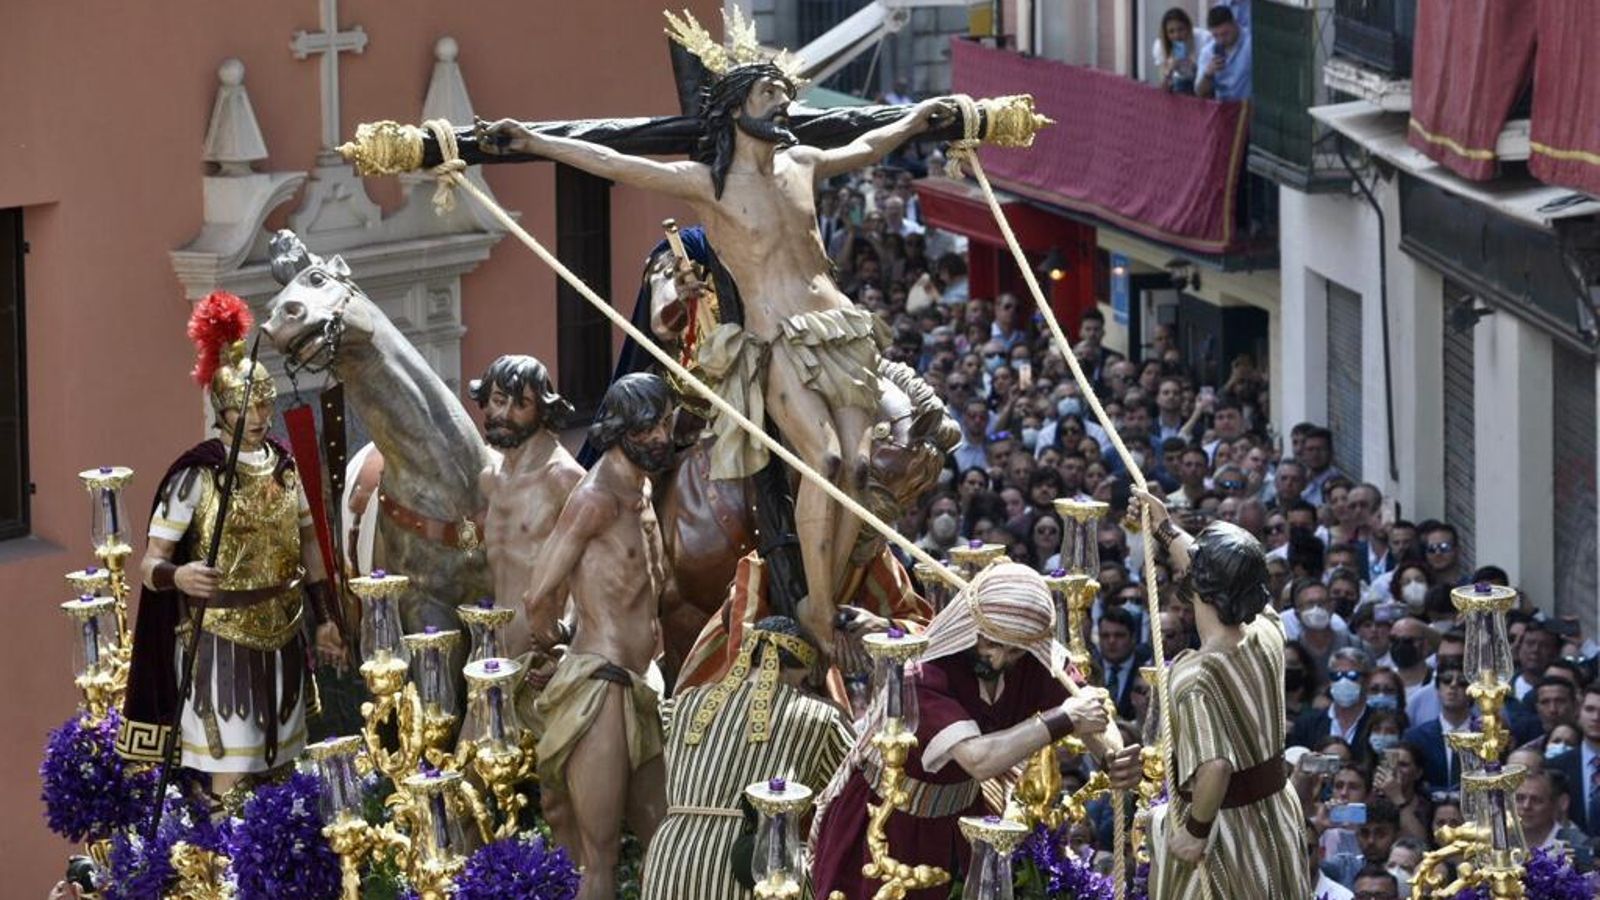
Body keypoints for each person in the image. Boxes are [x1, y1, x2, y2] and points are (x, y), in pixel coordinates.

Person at [485, 55, 958, 650]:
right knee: (829, 462)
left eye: (785, 92)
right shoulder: (705, 188)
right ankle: (814, 603)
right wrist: (535, 139)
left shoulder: (803, 162)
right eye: (768, 92)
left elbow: (867, 146)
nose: (782, 102)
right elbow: (615, 161)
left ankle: (827, 594)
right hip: (775, 339)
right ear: (737, 108)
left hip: (843, 329)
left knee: (860, 472)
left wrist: (916, 118)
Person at [118, 292, 345, 801]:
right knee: (233, 780)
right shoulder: (198, 475)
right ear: (223, 409)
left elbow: (309, 545)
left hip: (285, 631)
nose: (262, 415)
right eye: (251, 405)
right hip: (220, 640)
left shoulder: (285, 468)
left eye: (267, 403)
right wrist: (178, 576)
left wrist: (325, 615)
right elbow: (150, 561)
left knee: (285, 770)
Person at [809, 563, 1135, 899]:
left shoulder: (1029, 652)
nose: (998, 659)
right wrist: (1063, 718)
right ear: (969, 624)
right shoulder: (921, 673)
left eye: (1013, 650)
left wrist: (1112, 755)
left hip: (963, 822)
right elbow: (979, 759)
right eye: (991, 643)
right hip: (886, 822)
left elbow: (1093, 710)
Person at [524, 373, 677, 899]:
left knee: (666, 837)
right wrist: (559, 638)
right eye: (651, 427)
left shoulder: (644, 488)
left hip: (643, 684)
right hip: (602, 685)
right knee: (600, 854)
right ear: (620, 430)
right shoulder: (595, 499)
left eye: (665, 424)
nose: (662, 437)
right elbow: (540, 590)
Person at [1132, 487, 1309, 899]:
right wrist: (1165, 529)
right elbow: (1219, 571)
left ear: (1198, 586)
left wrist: (1195, 832)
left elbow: (1215, 766)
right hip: (1277, 818)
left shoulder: (1195, 676)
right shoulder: (1268, 629)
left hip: (1227, 835)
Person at [640, 617, 853, 900]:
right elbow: (856, 790)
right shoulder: (818, 718)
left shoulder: (682, 704)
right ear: (796, 670)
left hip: (670, 858)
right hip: (753, 864)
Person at [472, 355, 583, 660]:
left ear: (542, 411)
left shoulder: (562, 477)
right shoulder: (490, 479)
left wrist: (566, 640)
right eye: (497, 400)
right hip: (494, 652)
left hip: (544, 652)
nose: (505, 413)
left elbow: (589, 571)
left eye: (521, 404)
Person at [1195, 6, 1252, 101]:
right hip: (1223, 108)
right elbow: (1200, 92)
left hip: (1249, 106)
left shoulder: (1251, 42)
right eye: (1216, 35)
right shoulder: (1208, 51)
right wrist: (1208, 74)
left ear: (1234, 24)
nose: (1221, 40)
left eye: (1225, 34)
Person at [1152, 7, 1210, 95]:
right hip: (1181, 81)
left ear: (1188, 27)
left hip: (1204, 81)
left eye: (1181, 29)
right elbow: (1163, 88)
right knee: (1179, 86)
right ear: (1166, 34)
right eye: (1171, 32)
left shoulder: (1203, 38)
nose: (1177, 35)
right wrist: (1169, 71)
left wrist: (1194, 63)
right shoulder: (1160, 46)